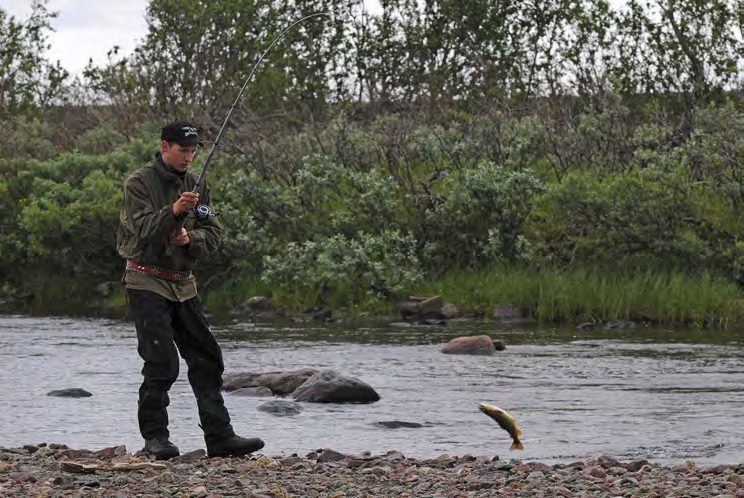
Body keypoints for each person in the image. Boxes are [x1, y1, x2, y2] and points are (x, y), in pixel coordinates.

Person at [116, 121, 264, 460]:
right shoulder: (138, 184)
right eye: (183, 149)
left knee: (207, 358)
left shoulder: (198, 186)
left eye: (194, 150)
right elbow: (140, 232)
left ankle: (220, 437)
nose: (189, 156)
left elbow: (213, 235)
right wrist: (174, 212)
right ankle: (156, 439)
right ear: (165, 146)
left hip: (183, 284)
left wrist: (190, 239)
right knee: (162, 361)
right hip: (144, 279)